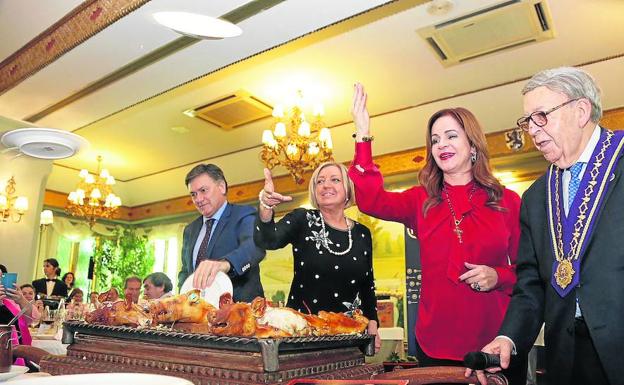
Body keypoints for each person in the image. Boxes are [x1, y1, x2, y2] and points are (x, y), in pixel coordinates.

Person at [349, 83, 525, 384]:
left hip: (495, 343)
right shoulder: (421, 200)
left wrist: (499, 276)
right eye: (435, 139)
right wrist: (363, 135)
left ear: (473, 146)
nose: (441, 144)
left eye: (451, 136)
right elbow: (371, 200)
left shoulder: (507, 201)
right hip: (436, 343)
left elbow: (529, 272)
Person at [469, 67, 624, 385]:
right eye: (527, 121)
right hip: (565, 358)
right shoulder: (536, 196)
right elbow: (530, 284)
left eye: (542, 116)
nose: (533, 131)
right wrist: (508, 338)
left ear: (581, 111)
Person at [254, 163, 381, 352]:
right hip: (303, 335)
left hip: (349, 335)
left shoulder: (362, 233)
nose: (326, 185)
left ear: (348, 189)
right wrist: (265, 206)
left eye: (335, 180)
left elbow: (367, 285)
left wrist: (373, 323)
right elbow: (268, 239)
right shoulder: (302, 219)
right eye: (319, 181)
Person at [178, 164, 266, 302]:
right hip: (198, 314)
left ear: (221, 187)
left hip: (239, 312)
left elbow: (254, 247)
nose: (198, 199)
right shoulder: (190, 230)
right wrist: (182, 298)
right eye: (193, 194)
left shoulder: (244, 214)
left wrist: (225, 264)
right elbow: (185, 272)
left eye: (203, 190)